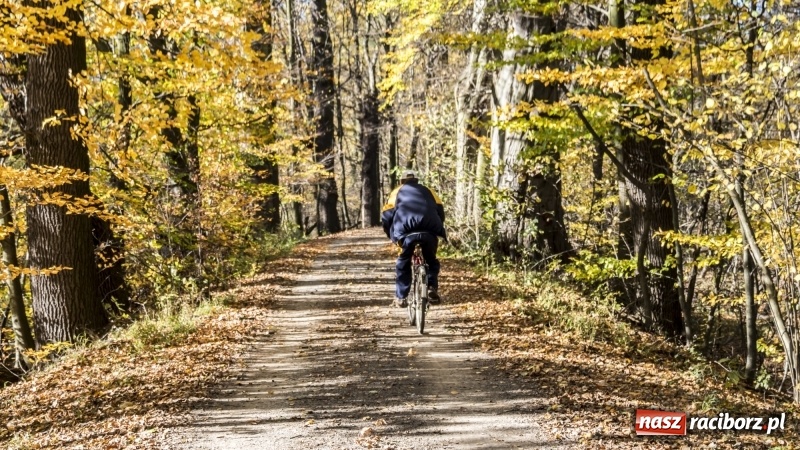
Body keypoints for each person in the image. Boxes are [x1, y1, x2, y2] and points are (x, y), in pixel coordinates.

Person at [381, 170, 446, 308]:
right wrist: (436, 226)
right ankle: (431, 288)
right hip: (430, 230)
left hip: (406, 233)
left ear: (401, 181)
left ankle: (401, 297)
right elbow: (440, 212)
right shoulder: (429, 191)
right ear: (417, 180)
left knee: (403, 262)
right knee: (431, 260)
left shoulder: (396, 192)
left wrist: (390, 234)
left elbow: (387, 216)